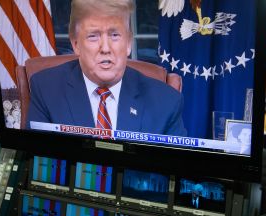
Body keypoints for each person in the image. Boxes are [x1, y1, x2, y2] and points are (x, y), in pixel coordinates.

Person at [26, 0, 187, 137]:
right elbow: (37, 164)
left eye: (114, 35)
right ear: (75, 44)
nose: (105, 48)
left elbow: (178, 171)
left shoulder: (166, 102)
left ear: (129, 43)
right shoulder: (46, 90)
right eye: (93, 36)